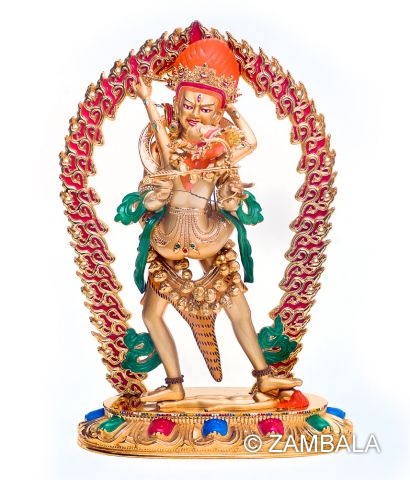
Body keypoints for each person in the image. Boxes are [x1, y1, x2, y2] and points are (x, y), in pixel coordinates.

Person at [125, 38, 301, 402]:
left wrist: (233, 112)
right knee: (151, 315)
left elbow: (250, 143)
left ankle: (264, 377)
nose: (195, 114)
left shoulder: (218, 154)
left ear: (217, 114)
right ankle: (174, 385)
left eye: (205, 109)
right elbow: (157, 131)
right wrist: (146, 100)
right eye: (188, 105)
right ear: (177, 106)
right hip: (168, 240)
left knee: (239, 309)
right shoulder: (168, 153)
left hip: (208, 238)